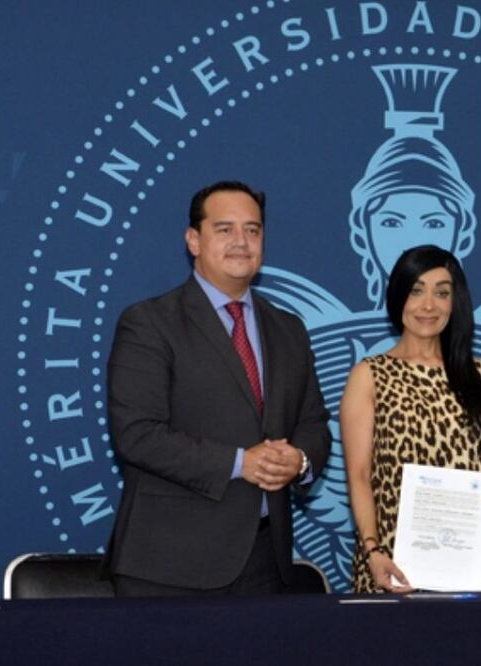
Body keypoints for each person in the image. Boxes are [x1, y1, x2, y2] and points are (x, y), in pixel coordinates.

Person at [103, 181, 331, 596]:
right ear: (193, 239)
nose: (241, 242)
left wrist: (298, 460)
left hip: (267, 561)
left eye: (253, 230)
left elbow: (314, 423)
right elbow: (137, 435)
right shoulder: (149, 323)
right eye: (224, 229)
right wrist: (241, 463)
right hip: (168, 565)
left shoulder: (289, 329)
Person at [340, 245, 481, 592]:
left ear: (455, 302)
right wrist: (372, 549)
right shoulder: (369, 375)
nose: (429, 305)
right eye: (416, 290)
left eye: (442, 292)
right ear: (398, 297)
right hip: (393, 565)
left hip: (476, 563)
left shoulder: (479, 374)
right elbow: (358, 475)